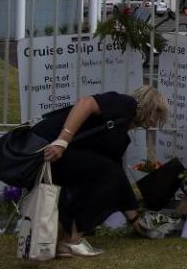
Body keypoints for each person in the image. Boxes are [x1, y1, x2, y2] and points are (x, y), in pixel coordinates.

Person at [35, 85, 169, 257]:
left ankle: (64, 242)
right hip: (50, 148)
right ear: (151, 107)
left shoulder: (120, 133)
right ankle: (72, 241)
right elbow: (86, 103)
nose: (155, 123)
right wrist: (62, 141)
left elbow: (117, 178)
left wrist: (135, 220)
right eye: (158, 116)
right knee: (107, 175)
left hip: (61, 156)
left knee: (107, 176)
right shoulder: (125, 104)